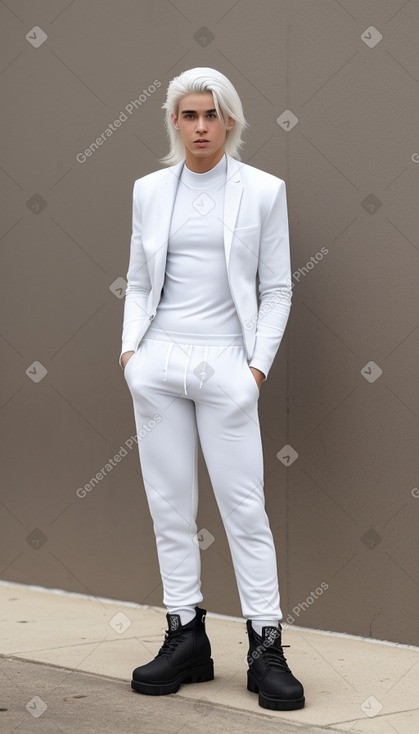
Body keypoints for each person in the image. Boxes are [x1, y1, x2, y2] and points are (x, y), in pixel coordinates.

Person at [120, 67, 304, 711]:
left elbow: (278, 287)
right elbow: (139, 281)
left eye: (213, 115)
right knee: (170, 508)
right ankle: (185, 636)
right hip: (159, 363)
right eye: (189, 115)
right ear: (174, 120)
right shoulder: (148, 190)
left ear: (230, 121)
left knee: (244, 511)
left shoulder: (262, 191)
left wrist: (255, 369)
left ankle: (266, 646)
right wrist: (131, 355)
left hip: (227, 364)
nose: (201, 127)